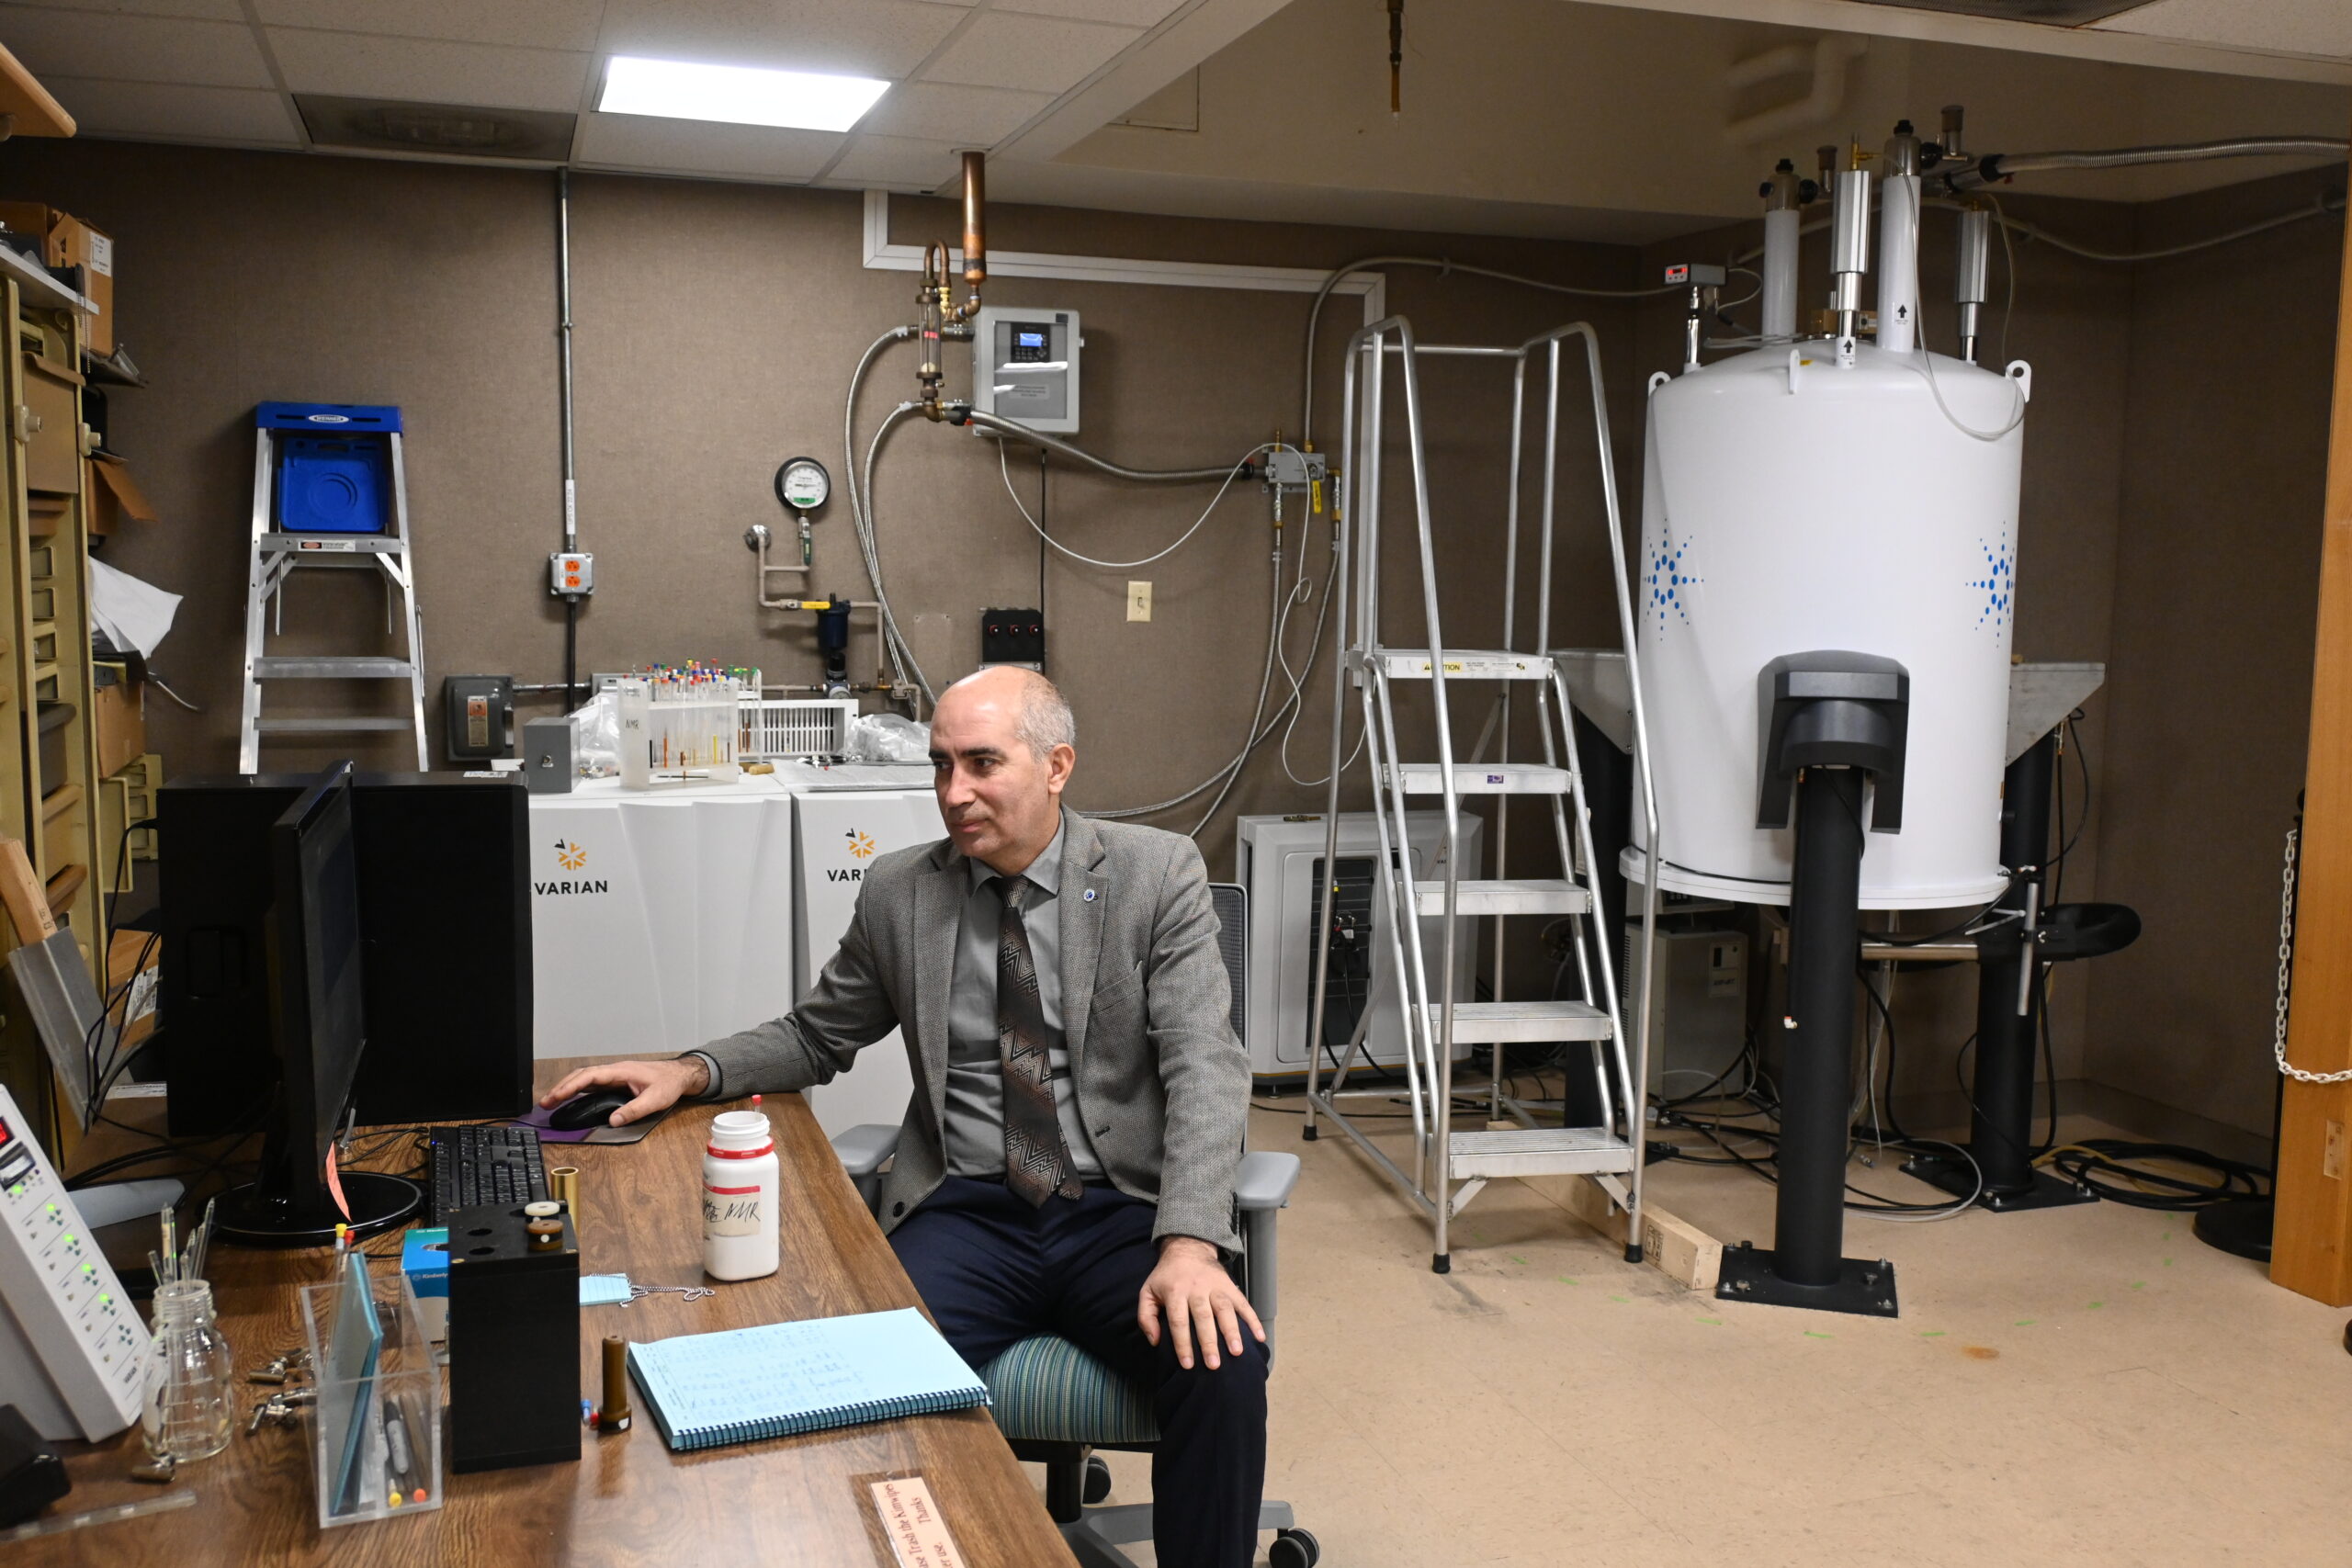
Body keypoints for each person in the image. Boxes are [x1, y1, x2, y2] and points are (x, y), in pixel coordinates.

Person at [542, 666, 1266, 1568]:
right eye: (940, 765)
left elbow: (1206, 1061)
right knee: (850, 1383)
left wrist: (1191, 1244)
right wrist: (690, 1070)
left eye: (982, 763)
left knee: (1222, 1365)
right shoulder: (901, 891)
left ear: (1056, 766)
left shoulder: (1154, 874)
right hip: (967, 1211)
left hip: (1120, 1211)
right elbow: (816, 1035)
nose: (953, 793)